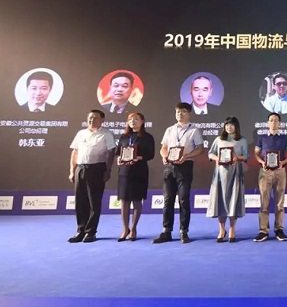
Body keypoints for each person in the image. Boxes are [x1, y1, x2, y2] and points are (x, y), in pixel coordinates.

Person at [153, 103, 204, 244]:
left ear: (189, 114)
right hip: (169, 167)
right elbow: (163, 147)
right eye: (177, 112)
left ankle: (184, 231)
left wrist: (187, 156)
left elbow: (200, 149)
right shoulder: (170, 129)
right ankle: (166, 231)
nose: (179, 114)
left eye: (183, 111)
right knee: (168, 200)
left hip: (185, 166)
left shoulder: (194, 130)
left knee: (183, 199)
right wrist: (164, 156)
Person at [67, 109, 116, 243]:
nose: (91, 120)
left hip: (97, 169)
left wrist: (108, 170)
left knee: (94, 202)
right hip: (80, 168)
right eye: (90, 117)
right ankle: (80, 230)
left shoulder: (107, 134)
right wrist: (72, 170)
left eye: (95, 118)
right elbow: (75, 152)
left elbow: (111, 152)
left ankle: (91, 232)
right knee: (80, 202)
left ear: (102, 120)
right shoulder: (81, 133)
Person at [206, 116, 248, 243]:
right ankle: (221, 230)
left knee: (233, 201)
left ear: (236, 126)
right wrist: (217, 158)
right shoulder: (219, 139)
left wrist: (237, 158)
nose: (229, 127)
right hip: (220, 174)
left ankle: (232, 230)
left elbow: (246, 156)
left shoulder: (242, 140)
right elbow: (210, 153)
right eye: (227, 125)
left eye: (232, 125)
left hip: (235, 173)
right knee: (221, 201)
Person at [253, 112, 287, 242]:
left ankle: (279, 229)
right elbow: (256, 154)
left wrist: (283, 162)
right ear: (268, 123)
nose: (273, 122)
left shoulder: (284, 138)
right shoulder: (262, 138)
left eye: (276, 120)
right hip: (265, 172)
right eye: (271, 120)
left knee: (279, 202)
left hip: (280, 171)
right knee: (264, 202)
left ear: (279, 123)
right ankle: (263, 230)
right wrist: (262, 162)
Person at [115, 112, 155, 242]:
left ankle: (133, 229)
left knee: (137, 201)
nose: (133, 121)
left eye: (136, 119)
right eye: (130, 119)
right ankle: (125, 229)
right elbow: (118, 153)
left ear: (142, 121)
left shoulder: (147, 137)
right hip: (124, 171)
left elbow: (151, 154)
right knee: (124, 201)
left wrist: (138, 157)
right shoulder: (124, 136)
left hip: (139, 171)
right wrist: (119, 159)